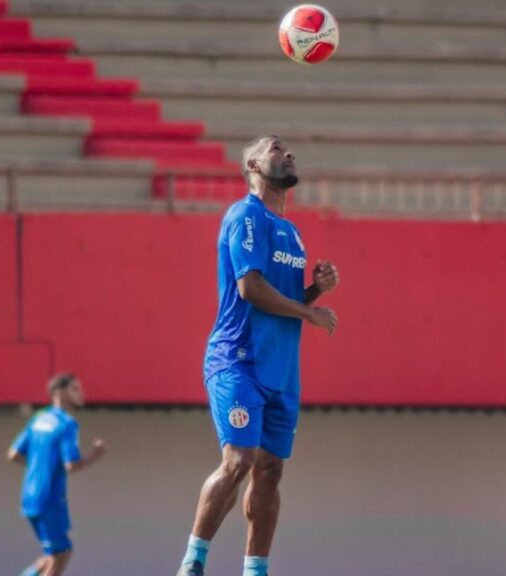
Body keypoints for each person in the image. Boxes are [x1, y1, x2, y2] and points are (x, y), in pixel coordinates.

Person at [176, 135, 340, 576]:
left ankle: (255, 569)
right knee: (240, 461)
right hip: (238, 360)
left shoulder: (294, 232)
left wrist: (314, 290)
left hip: (281, 370)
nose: (288, 153)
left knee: (269, 471)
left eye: (290, 149)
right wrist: (309, 311)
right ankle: (193, 561)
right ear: (252, 164)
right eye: (275, 148)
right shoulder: (245, 216)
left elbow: (281, 300)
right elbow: (250, 289)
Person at [8, 373, 107, 576]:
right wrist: (96, 455)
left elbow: (14, 454)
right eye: (75, 389)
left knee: (52, 554)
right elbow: (72, 465)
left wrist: (39, 465)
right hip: (50, 497)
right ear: (60, 392)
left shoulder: (38, 418)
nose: (81, 393)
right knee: (61, 553)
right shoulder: (67, 423)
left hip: (30, 495)